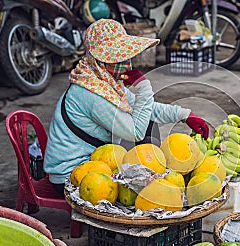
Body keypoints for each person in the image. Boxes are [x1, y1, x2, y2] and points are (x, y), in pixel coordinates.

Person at [44, 19, 209, 196]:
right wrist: (144, 87)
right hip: (71, 177)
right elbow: (135, 132)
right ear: (100, 60)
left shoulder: (103, 81)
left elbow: (146, 108)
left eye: (127, 57)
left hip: (95, 161)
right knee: (143, 141)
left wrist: (185, 115)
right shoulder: (90, 93)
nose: (128, 64)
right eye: (119, 58)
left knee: (147, 125)